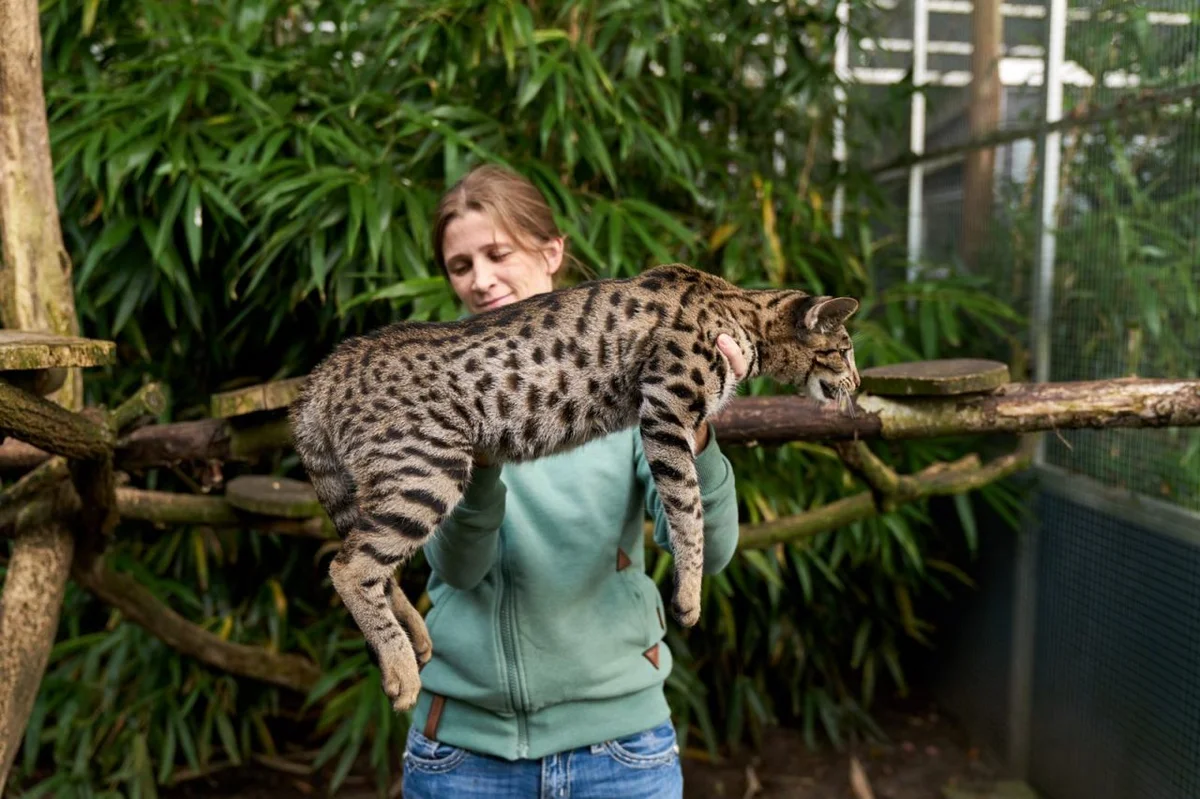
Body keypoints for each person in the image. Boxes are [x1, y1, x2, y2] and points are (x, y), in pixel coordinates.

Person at [400, 164, 748, 798]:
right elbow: (457, 567)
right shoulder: (437, 382)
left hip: (619, 751)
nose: (481, 280)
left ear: (552, 251)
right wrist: (477, 455)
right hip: (464, 754)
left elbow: (711, 551)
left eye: (497, 253)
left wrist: (694, 423)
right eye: (460, 265)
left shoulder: (638, 366)